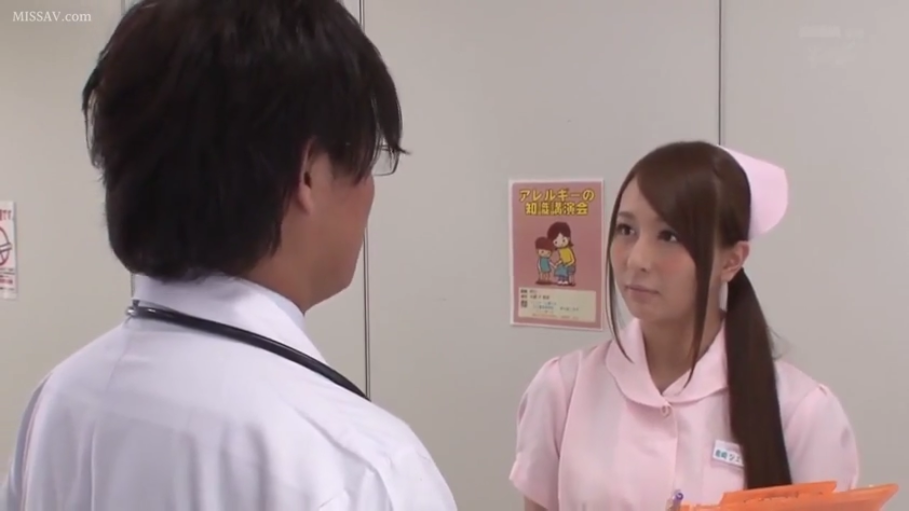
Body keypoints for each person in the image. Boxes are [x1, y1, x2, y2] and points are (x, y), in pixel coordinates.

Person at [0, 0, 457, 509]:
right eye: (368, 160)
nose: (370, 192)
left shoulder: (59, 401)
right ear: (307, 173)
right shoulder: (363, 469)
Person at [509, 141, 859, 510]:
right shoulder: (562, 389)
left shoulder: (801, 412)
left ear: (732, 260)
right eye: (626, 229)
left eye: (669, 236)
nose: (637, 259)